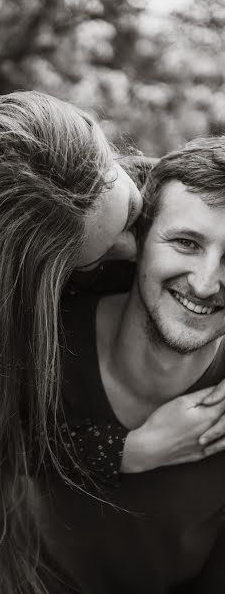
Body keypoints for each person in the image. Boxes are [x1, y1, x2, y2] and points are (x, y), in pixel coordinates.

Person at [0, 94, 225, 594]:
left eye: (132, 214)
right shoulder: (30, 329)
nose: (128, 249)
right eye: (94, 256)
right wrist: (123, 451)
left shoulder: (172, 192)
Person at [38, 136, 225, 593]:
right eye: (185, 242)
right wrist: (126, 450)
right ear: (137, 240)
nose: (205, 283)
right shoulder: (45, 336)